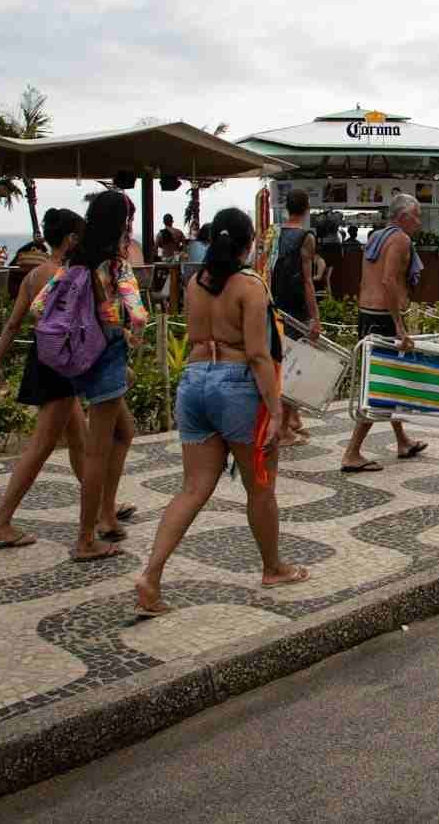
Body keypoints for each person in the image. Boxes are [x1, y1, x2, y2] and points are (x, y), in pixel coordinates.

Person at [134, 207, 307, 617]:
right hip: (236, 386)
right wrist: (276, 411)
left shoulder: (196, 282)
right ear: (250, 244)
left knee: (193, 488)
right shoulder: (251, 286)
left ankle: (151, 576)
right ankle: (273, 567)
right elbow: (258, 355)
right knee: (260, 486)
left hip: (194, 382)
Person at [0, 209, 133, 548]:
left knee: (82, 444)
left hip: (43, 357)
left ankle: (101, 510)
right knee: (42, 446)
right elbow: (97, 323)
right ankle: (0, 520)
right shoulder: (71, 274)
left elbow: (13, 323)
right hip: (66, 362)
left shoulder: (35, 275)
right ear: (71, 239)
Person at [30, 191, 147, 562]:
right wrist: (126, 334)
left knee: (123, 432)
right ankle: (86, 537)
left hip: (78, 357)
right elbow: (138, 314)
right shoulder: (115, 264)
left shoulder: (75, 260)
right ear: (121, 223)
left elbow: (39, 306)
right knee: (97, 451)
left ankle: (107, 516)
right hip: (107, 356)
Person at [340, 194, 429, 472]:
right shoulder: (400, 239)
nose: (419, 221)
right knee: (379, 384)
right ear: (403, 217)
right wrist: (400, 326)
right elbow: (389, 280)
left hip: (367, 314)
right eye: (417, 215)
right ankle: (352, 453)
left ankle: (402, 440)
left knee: (387, 379)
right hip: (382, 317)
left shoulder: (377, 236)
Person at [269, 187, 323, 446]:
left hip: (273, 304)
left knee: (282, 364)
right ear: (307, 209)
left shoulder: (273, 233)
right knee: (295, 368)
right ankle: (282, 429)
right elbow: (307, 281)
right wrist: (315, 316)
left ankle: (292, 420)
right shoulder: (306, 237)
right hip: (296, 308)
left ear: (286, 207)